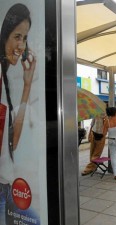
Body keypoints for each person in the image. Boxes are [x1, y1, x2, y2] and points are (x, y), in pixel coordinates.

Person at [0, 4, 38, 224]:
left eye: (24, 38)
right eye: (17, 36)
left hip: (6, 185)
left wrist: (26, 86)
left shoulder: (5, 80)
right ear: (5, 36)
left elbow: (12, 140)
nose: (21, 45)